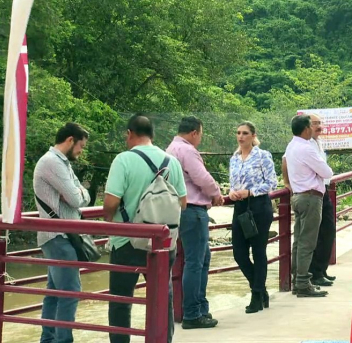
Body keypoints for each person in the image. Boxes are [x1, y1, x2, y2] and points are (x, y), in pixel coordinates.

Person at [103, 115, 187, 342]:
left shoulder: (123, 160)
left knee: (121, 301)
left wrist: (108, 220)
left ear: (129, 133)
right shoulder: (171, 161)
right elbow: (183, 202)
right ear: (152, 135)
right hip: (163, 242)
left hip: (126, 240)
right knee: (162, 298)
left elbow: (111, 203)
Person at [34, 123, 91, 343]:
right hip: (58, 236)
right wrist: (78, 194)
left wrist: (77, 194)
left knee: (55, 292)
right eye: (81, 146)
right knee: (70, 291)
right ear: (70, 140)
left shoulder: (62, 162)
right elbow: (78, 198)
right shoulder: (52, 163)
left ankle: (48, 339)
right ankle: (62, 340)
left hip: (60, 235)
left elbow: (80, 195)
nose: (81, 151)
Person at [165, 116, 224, 329]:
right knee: (195, 262)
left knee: (198, 259)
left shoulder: (169, 149)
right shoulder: (187, 150)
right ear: (194, 133)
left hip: (178, 210)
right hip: (193, 210)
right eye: (201, 134)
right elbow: (203, 178)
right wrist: (216, 194)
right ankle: (192, 313)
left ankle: (198, 308)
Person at [229, 122, 278, 313]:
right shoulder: (234, 158)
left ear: (253, 135)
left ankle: (256, 296)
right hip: (240, 207)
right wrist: (233, 192)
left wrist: (250, 191)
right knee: (239, 254)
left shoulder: (262, 156)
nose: (241, 136)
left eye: (245, 133)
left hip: (258, 205)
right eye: (238, 133)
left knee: (258, 252)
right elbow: (233, 183)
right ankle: (260, 289)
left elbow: (272, 183)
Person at [283, 114, 337, 287]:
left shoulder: (292, 146)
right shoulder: (306, 148)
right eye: (314, 124)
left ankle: (297, 278)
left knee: (299, 241)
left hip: (299, 195)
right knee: (308, 241)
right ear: (306, 129)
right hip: (310, 197)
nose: (317, 127)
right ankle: (303, 282)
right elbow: (327, 172)